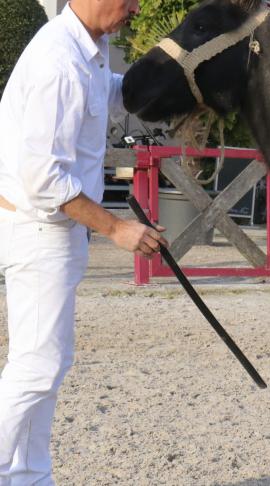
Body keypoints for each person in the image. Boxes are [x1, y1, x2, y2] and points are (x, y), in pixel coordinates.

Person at [0, 0, 165, 483]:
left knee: (43, 363)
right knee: (38, 365)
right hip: (40, 228)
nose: (135, 8)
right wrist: (117, 228)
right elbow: (43, 180)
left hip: (56, 230)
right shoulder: (58, 63)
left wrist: (164, 81)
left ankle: (27, 476)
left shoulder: (90, 49)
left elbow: (110, 93)